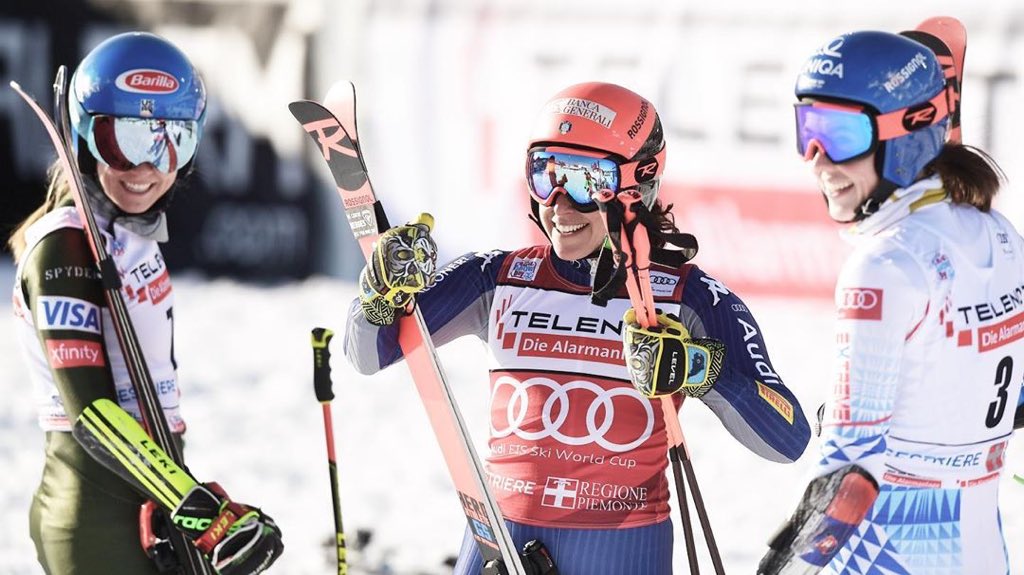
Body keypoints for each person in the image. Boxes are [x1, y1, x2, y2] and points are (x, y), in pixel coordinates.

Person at [345, 81, 811, 574]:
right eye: (545, 175)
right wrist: (378, 297)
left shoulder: (688, 298)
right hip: (497, 544)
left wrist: (701, 368)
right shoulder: (496, 278)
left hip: (621, 551)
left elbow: (788, 438)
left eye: (587, 181)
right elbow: (369, 355)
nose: (560, 204)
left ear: (640, 183)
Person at [8, 32, 282, 574]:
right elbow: (95, 415)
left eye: (172, 141)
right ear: (84, 137)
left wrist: (186, 498)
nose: (147, 167)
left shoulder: (126, 236)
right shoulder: (63, 246)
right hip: (92, 521)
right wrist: (203, 511)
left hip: (147, 507)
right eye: (125, 140)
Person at [759, 27, 1024, 575]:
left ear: (905, 133)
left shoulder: (883, 266)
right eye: (808, 128)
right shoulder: (1000, 234)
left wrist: (784, 568)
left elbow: (848, 479)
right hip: (980, 550)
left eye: (839, 134)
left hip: (888, 552)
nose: (816, 159)